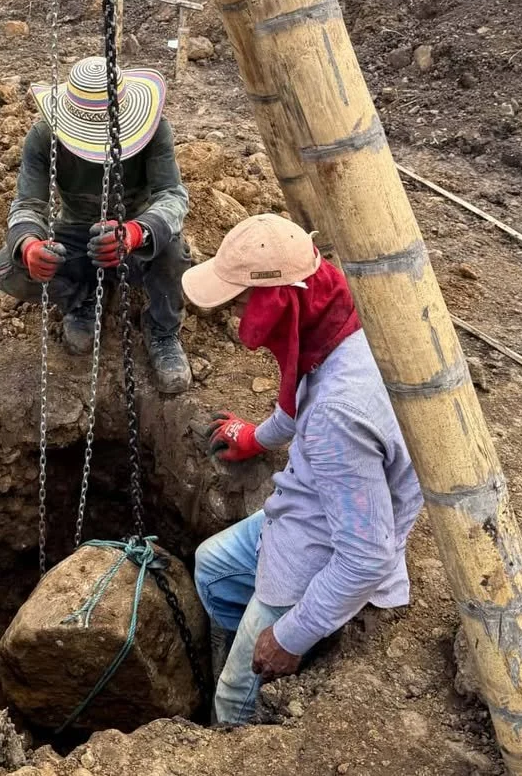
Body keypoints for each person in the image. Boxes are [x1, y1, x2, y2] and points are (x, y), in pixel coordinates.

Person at [182, 213, 423, 724]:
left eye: (241, 303)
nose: (232, 317)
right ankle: (236, 661)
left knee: (232, 700)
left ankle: (244, 695)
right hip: (307, 503)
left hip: (321, 543)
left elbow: (365, 556)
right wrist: (254, 438)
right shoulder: (333, 323)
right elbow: (299, 399)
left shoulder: (338, 417)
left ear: (280, 301)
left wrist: (290, 636)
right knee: (213, 566)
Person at [0, 55, 192, 394]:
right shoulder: (44, 136)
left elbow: (172, 196)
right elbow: (28, 204)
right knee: (9, 268)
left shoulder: (155, 129)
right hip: (77, 235)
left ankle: (162, 331)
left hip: (136, 238)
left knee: (173, 254)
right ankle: (81, 298)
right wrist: (28, 245)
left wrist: (136, 232)